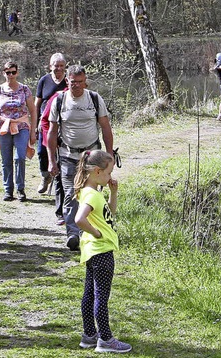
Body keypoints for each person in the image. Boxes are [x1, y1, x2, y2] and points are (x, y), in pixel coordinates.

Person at [47, 65, 113, 251]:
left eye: (79, 82)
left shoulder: (94, 99)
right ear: (66, 81)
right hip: (68, 155)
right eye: (72, 82)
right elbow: (51, 133)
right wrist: (52, 160)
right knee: (70, 194)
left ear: (85, 82)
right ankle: (73, 234)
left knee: (91, 195)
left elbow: (106, 128)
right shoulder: (59, 101)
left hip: (92, 156)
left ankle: (91, 230)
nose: (76, 85)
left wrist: (109, 155)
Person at [74, 150, 132, 354]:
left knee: (89, 294)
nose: (110, 177)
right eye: (109, 172)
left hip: (93, 252)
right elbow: (79, 220)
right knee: (101, 296)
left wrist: (113, 193)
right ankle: (105, 339)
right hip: (102, 250)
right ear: (97, 171)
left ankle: (89, 335)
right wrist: (96, 233)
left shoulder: (91, 192)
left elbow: (109, 214)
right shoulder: (91, 194)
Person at [0, 61, 37, 202]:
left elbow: (33, 110)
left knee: (19, 157)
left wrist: (33, 131)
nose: (11, 75)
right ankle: (8, 190)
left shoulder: (24, 89)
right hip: (3, 127)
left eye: (13, 72)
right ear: (4, 73)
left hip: (21, 125)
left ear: (17, 73)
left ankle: (20, 188)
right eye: (8, 72)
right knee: (6, 159)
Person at [35, 53, 67, 194]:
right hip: (45, 122)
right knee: (42, 151)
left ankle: (61, 180)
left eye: (61, 66)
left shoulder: (69, 81)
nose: (58, 69)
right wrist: (35, 123)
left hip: (64, 123)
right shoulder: (44, 80)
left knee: (61, 152)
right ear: (50, 66)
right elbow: (37, 104)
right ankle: (45, 177)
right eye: (56, 66)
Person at [40, 89, 66, 225]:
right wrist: (51, 143)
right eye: (73, 82)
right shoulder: (58, 98)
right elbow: (45, 121)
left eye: (82, 82)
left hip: (86, 146)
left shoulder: (91, 98)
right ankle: (61, 213)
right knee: (60, 178)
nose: (78, 86)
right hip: (62, 147)